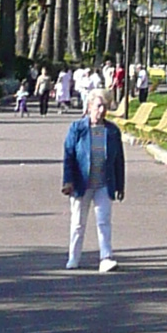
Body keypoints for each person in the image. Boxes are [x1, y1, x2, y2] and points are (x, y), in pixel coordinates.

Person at [61, 92, 126, 271]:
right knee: (78, 223)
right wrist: (68, 181)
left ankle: (106, 258)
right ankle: (73, 257)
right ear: (89, 107)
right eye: (98, 106)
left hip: (104, 183)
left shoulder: (112, 131)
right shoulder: (77, 128)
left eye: (104, 106)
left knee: (103, 221)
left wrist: (120, 185)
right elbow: (69, 156)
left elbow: (119, 160)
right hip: (81, 183)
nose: (102, 110)